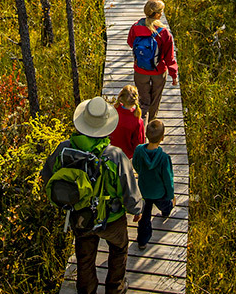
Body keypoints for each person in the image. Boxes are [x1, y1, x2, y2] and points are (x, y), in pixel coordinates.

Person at [41, 97, 143, 294]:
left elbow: (47, 177)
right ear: (106, 126)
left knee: (85, 257)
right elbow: (128, 189)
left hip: (80, 216)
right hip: (112, 219)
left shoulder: (64, 149)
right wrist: (136, 209)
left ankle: (87, 290)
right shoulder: (115, 155)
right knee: (119, 248)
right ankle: (115, 288)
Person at [127, 0, 178, 121]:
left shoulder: (135, 27)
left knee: (143, 101)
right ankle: (152, 125)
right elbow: (169, 57)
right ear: (156, 15)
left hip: (140, 70)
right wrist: (174, 75)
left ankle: (141, 126)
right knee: (155, 100)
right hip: (158, 72)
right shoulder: (164, 33)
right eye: (161, 12)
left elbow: (130, 43)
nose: (162, 14)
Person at [131, 119, 175, 250]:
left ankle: (142, 241)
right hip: (159, 192)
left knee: (145, 218)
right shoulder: (164, 158)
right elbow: (168, 179)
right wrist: (171, 195)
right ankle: (166, 211)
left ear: (146, 135)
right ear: (162, 138)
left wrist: (141, 172)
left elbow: (135, 164)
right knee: (165, 204)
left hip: (144, 190)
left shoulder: (139, 150)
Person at [109, 85, 144, 159]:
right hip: (126, 155)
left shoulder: (113, 111)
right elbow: (139, 142)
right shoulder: (137, 121)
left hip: (110, 150)